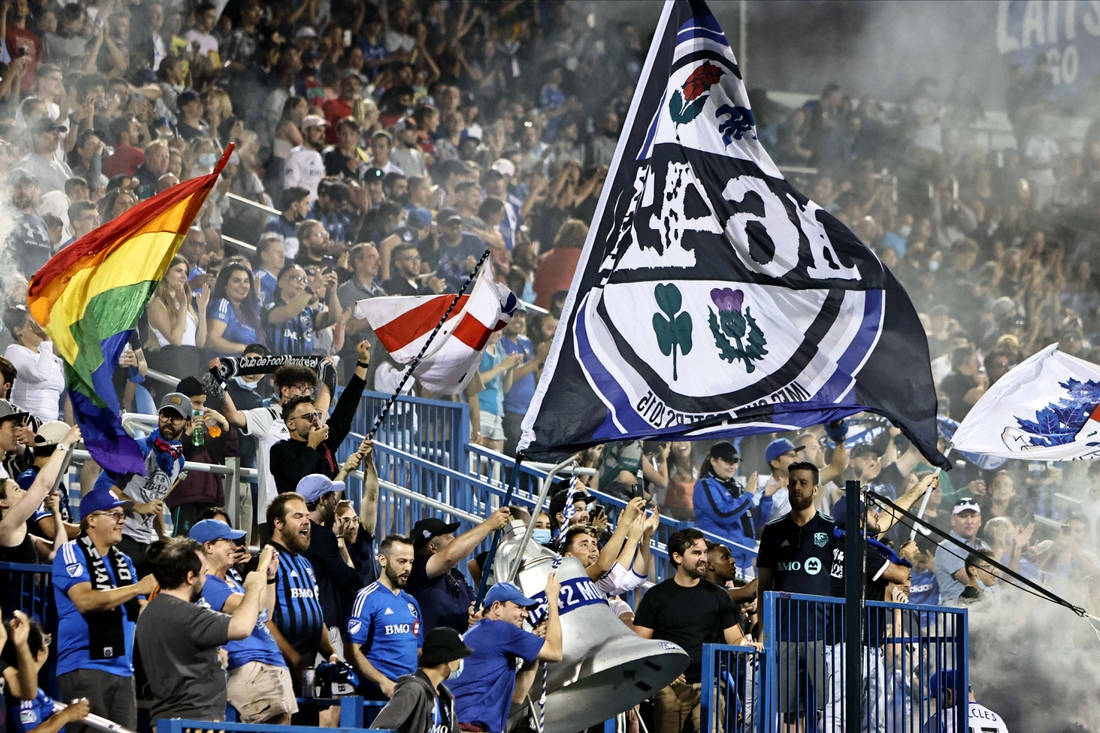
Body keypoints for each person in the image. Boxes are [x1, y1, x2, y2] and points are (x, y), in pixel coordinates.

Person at [136, 538, 276, 725]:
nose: (205, 580)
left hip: (166, 719)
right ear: (189, 577)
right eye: (203, 574)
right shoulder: (187, 614)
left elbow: (180, 653)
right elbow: (242, 627)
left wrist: (213, 657)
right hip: (193, 721)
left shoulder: (148, 612)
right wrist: (255, 585)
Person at [52, 488, 157, 732]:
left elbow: (140, 609)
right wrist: (136, 588)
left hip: (123, 668)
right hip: (85, 665)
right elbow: (85, 600)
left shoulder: (124, 562)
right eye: (114, 514)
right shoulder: (71, 551)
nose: (122, 520)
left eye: (123, 515)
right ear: (91, 519)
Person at [633, 528, 748, 733]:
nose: (703, 558)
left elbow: (735, 639)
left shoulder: (719, 596)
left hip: (710, 685)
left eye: (704, 552)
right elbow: (639, 646)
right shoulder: (656, 596)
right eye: (696, 553)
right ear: (677, 557)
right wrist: (664, 668)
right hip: (669, 686)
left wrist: (748, 645)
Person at [755, 461, 836, 727]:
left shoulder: (832, 530)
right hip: (784, 635)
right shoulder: (773, 530)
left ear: (815, 489)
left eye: (803, 483)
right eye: (792, 483)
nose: (796, 488)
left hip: (822, 635)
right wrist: (763, 631)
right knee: (789, 715)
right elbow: (764, 583)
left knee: (825, 714)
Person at [823, 495, 913, 733]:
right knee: (840, 715)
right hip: (849, 645)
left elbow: (886, 519)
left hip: (868, 645)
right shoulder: (858, 548)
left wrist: (920, 488)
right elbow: (901, 576)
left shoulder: (843, 544)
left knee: (873, 719)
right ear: (857, 520)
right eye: (868, 511)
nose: (876, 514)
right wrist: (908, 556)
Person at [195, 519, 297, 724]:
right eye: (227, 541)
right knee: (274, 725)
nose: (235, 547)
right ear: (208, 546)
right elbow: (250, 607)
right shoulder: (207, 583)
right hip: (247, 664)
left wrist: (269, 577)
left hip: (270, 661)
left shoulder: (232, 581)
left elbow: (264, 613)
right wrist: (260, 566)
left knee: (282, 723)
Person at [219, 362, 332, 541]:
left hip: (309, 513)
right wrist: (218, 381)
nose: (306, 392)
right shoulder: (268, 416)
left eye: (309, 389)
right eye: (300, 388)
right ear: (285, 390)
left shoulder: (311, 418)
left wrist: (330, 373)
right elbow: (234, 416)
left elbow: (324, 404)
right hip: (274, 512)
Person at [445, 579, 563, 733]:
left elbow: (517, 696)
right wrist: (553, 599)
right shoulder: (499, 630)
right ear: (496, 607)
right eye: (518, 607)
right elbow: (555, 652)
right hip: (467, 727)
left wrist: (534, 652)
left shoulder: (485, 632)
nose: (525, 614)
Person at [96, 393, 189, 574]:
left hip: (144, 542)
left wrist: (162, 534)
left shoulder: (179, 460)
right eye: (165, 415)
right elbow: (103, 486)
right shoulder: (139, 448)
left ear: (187, 422)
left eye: (176, 417)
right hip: (119, 536)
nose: (169, 421)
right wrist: (139, 507)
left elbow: (156, 498)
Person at [269, 339, 370, 494]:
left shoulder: (326, 442)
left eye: (315, 415)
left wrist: (363, 363)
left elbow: (346, 407)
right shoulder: (280, 450)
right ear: (291, 424)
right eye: (308, 416)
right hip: (302, 517)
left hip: (333, 515)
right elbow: (298, 478)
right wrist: (312, 445)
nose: (315, 419)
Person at [265, 492, 342, 690]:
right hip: (276, 672)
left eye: (307, 516)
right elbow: (263, 620)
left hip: (306, 670)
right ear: (278, 523)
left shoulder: (305, 563)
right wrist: (296, 662)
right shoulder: (266, 561)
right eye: (298, 516)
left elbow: (315, 614)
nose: (306, 522)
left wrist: (331, 653)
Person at [406, 509, 512, 633]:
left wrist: (477, 612)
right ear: (432, 547)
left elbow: (474, 602)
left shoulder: (456, 574)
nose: (454, 540)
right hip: (433, 649)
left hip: (460, 647)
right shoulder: (416, 569)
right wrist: (489, 525)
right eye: (448, 537)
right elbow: (449, 557)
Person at [346, 534, 423, 700]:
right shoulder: (366, 597)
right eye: (401, 561)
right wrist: (383, 682)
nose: (408, 568)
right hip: (377, 693)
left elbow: (417, 650)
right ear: (382, 560)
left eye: (411, 562)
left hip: (409, 692)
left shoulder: (412, 603)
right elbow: (351, 651)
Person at [168, 376, 237, 536]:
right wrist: (187, 434)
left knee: (207, 544)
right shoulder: (170, 425)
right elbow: (168, 454)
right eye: (196, 403)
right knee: (184, 545)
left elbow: (230, 452)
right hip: (184, 498)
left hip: (210, 496)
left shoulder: (209, 425)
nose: (201, 408)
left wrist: (225, 425)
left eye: (202, 403)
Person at [0, 422, 79, 562]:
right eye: (16, 489)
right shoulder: (6, 527)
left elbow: (59, 555)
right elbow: (44, 483)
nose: (24, 492)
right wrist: (65, 444)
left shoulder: (25, 535)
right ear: (2, 501)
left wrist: (56, 514)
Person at [371, 626, 471, 733]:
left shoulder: (445, 696)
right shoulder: (412, 689)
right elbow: (379, 729)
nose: (461, 661)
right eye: (459, 657)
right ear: (447, 659)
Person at [2, 618, 92, 733]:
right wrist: (66, 715)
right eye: (46, 640)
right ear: (38, 654)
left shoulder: (27, 690)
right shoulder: (22, 698)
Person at [693, 442, 765, 576]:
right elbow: (723, 515)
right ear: (713, 461)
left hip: (746, 559)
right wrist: (748, 495)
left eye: (735, 461)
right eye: (727, 461)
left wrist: (767, 498)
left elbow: (756, 522)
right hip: (721, 559)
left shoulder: (737, 486)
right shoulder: (704, 485)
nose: (733, 465)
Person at [2, 306, 63, 422]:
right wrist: (46, 341)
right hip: (26, 425)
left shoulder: (51, 357)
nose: (40, 328)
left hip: (51, 427)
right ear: (18, 330)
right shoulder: (14, 351)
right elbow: (40, 375)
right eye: (34, 324)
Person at [935, 499, 990, 605]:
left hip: (981, 615)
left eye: (973, 516)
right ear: (953, 520)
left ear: (980, 520)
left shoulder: (983, 546)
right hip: (956, 617)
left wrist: (1016, 551)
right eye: (963, 516)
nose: (969, 521)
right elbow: (974, 582)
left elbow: (1001, 579)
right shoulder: (947, 547)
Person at [207, 262, 265, 356]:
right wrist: (245, 349)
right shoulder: (222, 304)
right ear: (224, 284)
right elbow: (211, 340)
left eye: (246, 281)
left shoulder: (250, 313)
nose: (243, 285)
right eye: (237, 280)